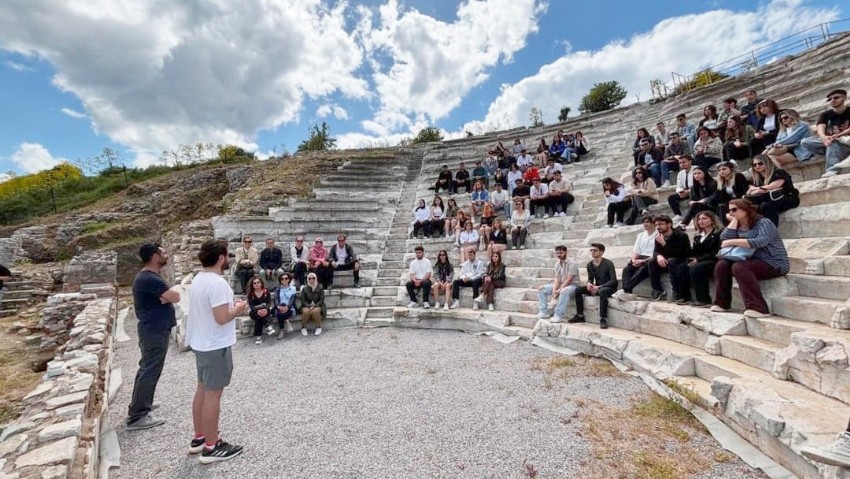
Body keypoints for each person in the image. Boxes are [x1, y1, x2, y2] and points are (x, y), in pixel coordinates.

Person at [186, 239, 247, 463]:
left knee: (202, 389)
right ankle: (212, 446)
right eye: (228, 255)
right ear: (221, 257)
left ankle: (199, 437)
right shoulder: (218, 283)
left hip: (202, 342)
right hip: (215, 345)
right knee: (213, 394)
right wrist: (238, 308)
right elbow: (222, 318)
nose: (229, 259)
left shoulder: (198, 279)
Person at [126, 243, 180, 431]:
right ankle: (137, 415)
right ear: (155, 256)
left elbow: (168, 297)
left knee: (147, 369)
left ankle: (141, 404)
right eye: (163, 252)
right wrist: (167, 297)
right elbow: (175, 296)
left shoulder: (148, 278)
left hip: (154, 329)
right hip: (154, 330)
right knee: (150, 370)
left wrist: (166, 297)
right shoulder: (150, 279)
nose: (166, 254)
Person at [712, 198, 789, 317]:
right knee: (722, 265)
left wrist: (734, 241)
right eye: (729, 210)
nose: (730, 213)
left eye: (734, 210)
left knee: (739, 267)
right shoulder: (737, 225)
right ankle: (722, 303)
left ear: (745, 210)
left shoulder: (764, 223)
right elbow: (724, 238)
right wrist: (733, 222)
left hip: (773, 262)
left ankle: (758, 308)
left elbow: (761, 241)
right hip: (750, 260)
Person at [801, 88, 850, 178]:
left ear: (844, 98)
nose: (832, 100)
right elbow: (820, 127)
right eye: (830, 99)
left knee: (833, 143)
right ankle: (832, 153)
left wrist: (837, 136)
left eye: (836, 98)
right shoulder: (826, 114)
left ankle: (832, 170)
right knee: (805, 142)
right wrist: (824, 138)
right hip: (830, 141)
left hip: (846, 141)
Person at [570, 243, 617, 329]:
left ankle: (603, 318)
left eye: (595, 250)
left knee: (602, 291)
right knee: (578, 290)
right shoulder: (589, 265)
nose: (592, 252)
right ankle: (580, 315)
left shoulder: (608, 263)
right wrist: (589, 283)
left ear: (601, 252)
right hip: (597, 287)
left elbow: (613, 280)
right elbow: (590, 278)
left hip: (609, 288)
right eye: (591, 250)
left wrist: (599, 287)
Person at [745, 154, 800, 226]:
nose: (757, 166)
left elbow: (773, 186)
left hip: (786, 198)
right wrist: (760, 190)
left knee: (766, 206)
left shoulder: (779, 172)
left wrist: (758, 189)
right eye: (754, 165)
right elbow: (750, 191)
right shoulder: (755, 178)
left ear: (766, 162)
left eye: (760, 163)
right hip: (769, 199)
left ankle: (771, 231)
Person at [647, 215, 691, 302]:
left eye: (660, 224)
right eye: (656, 225)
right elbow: (655, 252)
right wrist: (659, 256)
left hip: (681, 260)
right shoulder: (659, 236)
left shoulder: (681, 235)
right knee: (651, 262)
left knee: (672, 261)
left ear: (669, 224)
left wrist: (664, 243)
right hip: (666, 261)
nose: (658, 227)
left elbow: (678, 253)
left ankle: (678, 293)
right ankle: (657, 290)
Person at [616, 215, 657, 301]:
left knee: (642, 270)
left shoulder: (658, 235)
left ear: (654, 223)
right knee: (627, 269)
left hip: (651, 259)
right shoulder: (641, 235)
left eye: (648, 222)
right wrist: (634, 259)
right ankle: (628, 292)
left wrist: (643, 260)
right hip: (639, 257)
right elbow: (636, 250)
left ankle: (625, 290)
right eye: (644, 222)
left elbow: (656, 253)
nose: (645, 224)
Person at [685, 212, 722, 307]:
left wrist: (698, 260)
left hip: (714, 260)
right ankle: (684, 296)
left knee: (697, 268)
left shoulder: (718, 233)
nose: (701, 221)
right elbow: (695, 252)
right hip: (701, 260)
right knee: (682, 266)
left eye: (704, 218)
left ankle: (704, 299)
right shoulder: (698, 235)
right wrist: (692, 258)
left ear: (712, 220)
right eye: (699, 219)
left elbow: (716, 251)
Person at [537, 245, 580, 322]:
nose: (559, 255)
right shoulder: (557, 264)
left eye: (561, 253)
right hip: (562, 285)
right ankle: (543, 312)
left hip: (573, 286)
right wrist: (554, 289)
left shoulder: (572, 263)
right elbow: (557, 279)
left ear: (566, 252)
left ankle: (558, 315)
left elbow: (569, 280)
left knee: (564, 291)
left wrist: (559, 290)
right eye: (557, 253)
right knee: (541, 289)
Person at [668, 155, 695, 223]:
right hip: (685, 192)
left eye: (684, 162)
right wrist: (680, 192)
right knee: (671, 198)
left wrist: (688, 191)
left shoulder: (696, 170)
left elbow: (698, 185)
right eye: (680, 163)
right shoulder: (680, 173)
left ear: (690, 161)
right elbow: (679, 186)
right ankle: (678, 215)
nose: (682, 164)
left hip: (695, 191)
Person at [247, 276, 272, 345]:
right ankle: (267, 325)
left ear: (261, 283)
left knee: (259, 318)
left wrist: (266, 309)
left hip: (265, 310)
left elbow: (269, 302)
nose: (256, 284)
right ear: (252, 285)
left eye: (258, 282)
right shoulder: (251, 293)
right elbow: (251, 306)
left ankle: (258, 337)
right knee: (258, 315)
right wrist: (257, 311)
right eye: (254, 283)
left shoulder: (266, 291)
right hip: (254, 312)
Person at [272, 273, 297, 340]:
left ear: (289, 279)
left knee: (280, 313)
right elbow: (276, 299)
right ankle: (287, 323)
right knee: (279, 312)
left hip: (290, 308)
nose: (284, 280)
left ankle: (282, 331)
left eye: (286, 278)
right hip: (279, 307)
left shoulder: (293, 288)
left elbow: (292, 300)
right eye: (282, 279)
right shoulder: (278, 289)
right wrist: (278, 306)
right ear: (280, 280)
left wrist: (287, 307)